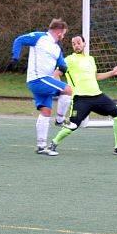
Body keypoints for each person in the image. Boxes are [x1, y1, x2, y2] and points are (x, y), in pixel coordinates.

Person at [46, 35, 117, 156]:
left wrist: (113, 72)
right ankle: (53, 144)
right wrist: (63, 90)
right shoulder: (69, 60)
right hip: (81, 99)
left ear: (84, 44)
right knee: (73, 125)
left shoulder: (90, 59)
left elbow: (95, 77)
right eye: (74, 44)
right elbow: (56, 74)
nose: (76, 45)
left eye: (78, 42)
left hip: (97, 96)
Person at [9, 19, 74, 154]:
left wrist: (63, 67)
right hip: (38, 79)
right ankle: (60, 120)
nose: (64, 36)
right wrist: (15, 57)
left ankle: (41, 146)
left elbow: (62, 64)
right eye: (64, 34)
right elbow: (19, 40)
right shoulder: (39, 37)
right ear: (59, 32)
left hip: (45, 81)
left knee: (46, 112)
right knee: (68, 90)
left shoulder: (57, 48)